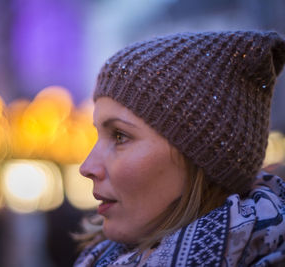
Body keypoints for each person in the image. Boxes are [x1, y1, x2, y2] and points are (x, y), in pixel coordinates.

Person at [73, 31, 285, 266]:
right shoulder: (99, 257)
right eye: (98, 135)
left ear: (201, 157)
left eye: (120, 136)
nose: (87, 167)